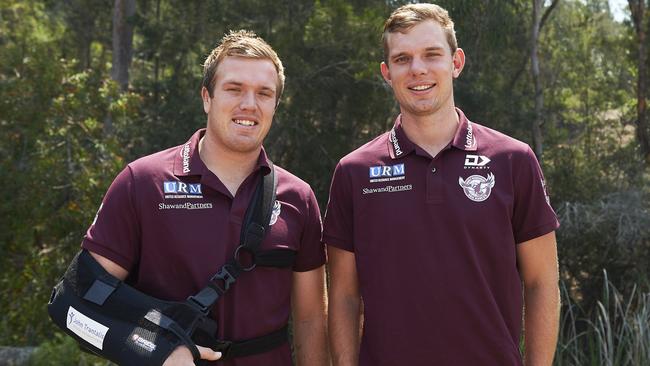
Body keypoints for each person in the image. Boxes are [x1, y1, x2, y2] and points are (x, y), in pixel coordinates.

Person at [324, 3, 560, 366]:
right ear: (387, 72)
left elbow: (542, 282)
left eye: (431, 54)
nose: (417, 69)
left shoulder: (514, 160)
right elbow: (343, 296)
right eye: (402, 59)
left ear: (456, 62)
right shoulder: (354, 172)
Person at [82, 30, 328, 365]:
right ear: (206, 97)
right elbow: (77, 300)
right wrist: (154, 350)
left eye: (264, 93)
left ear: (275, 104)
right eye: (234, 89)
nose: (249, 104)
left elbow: (310, 318)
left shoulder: (299, 198)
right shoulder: (142, 182)